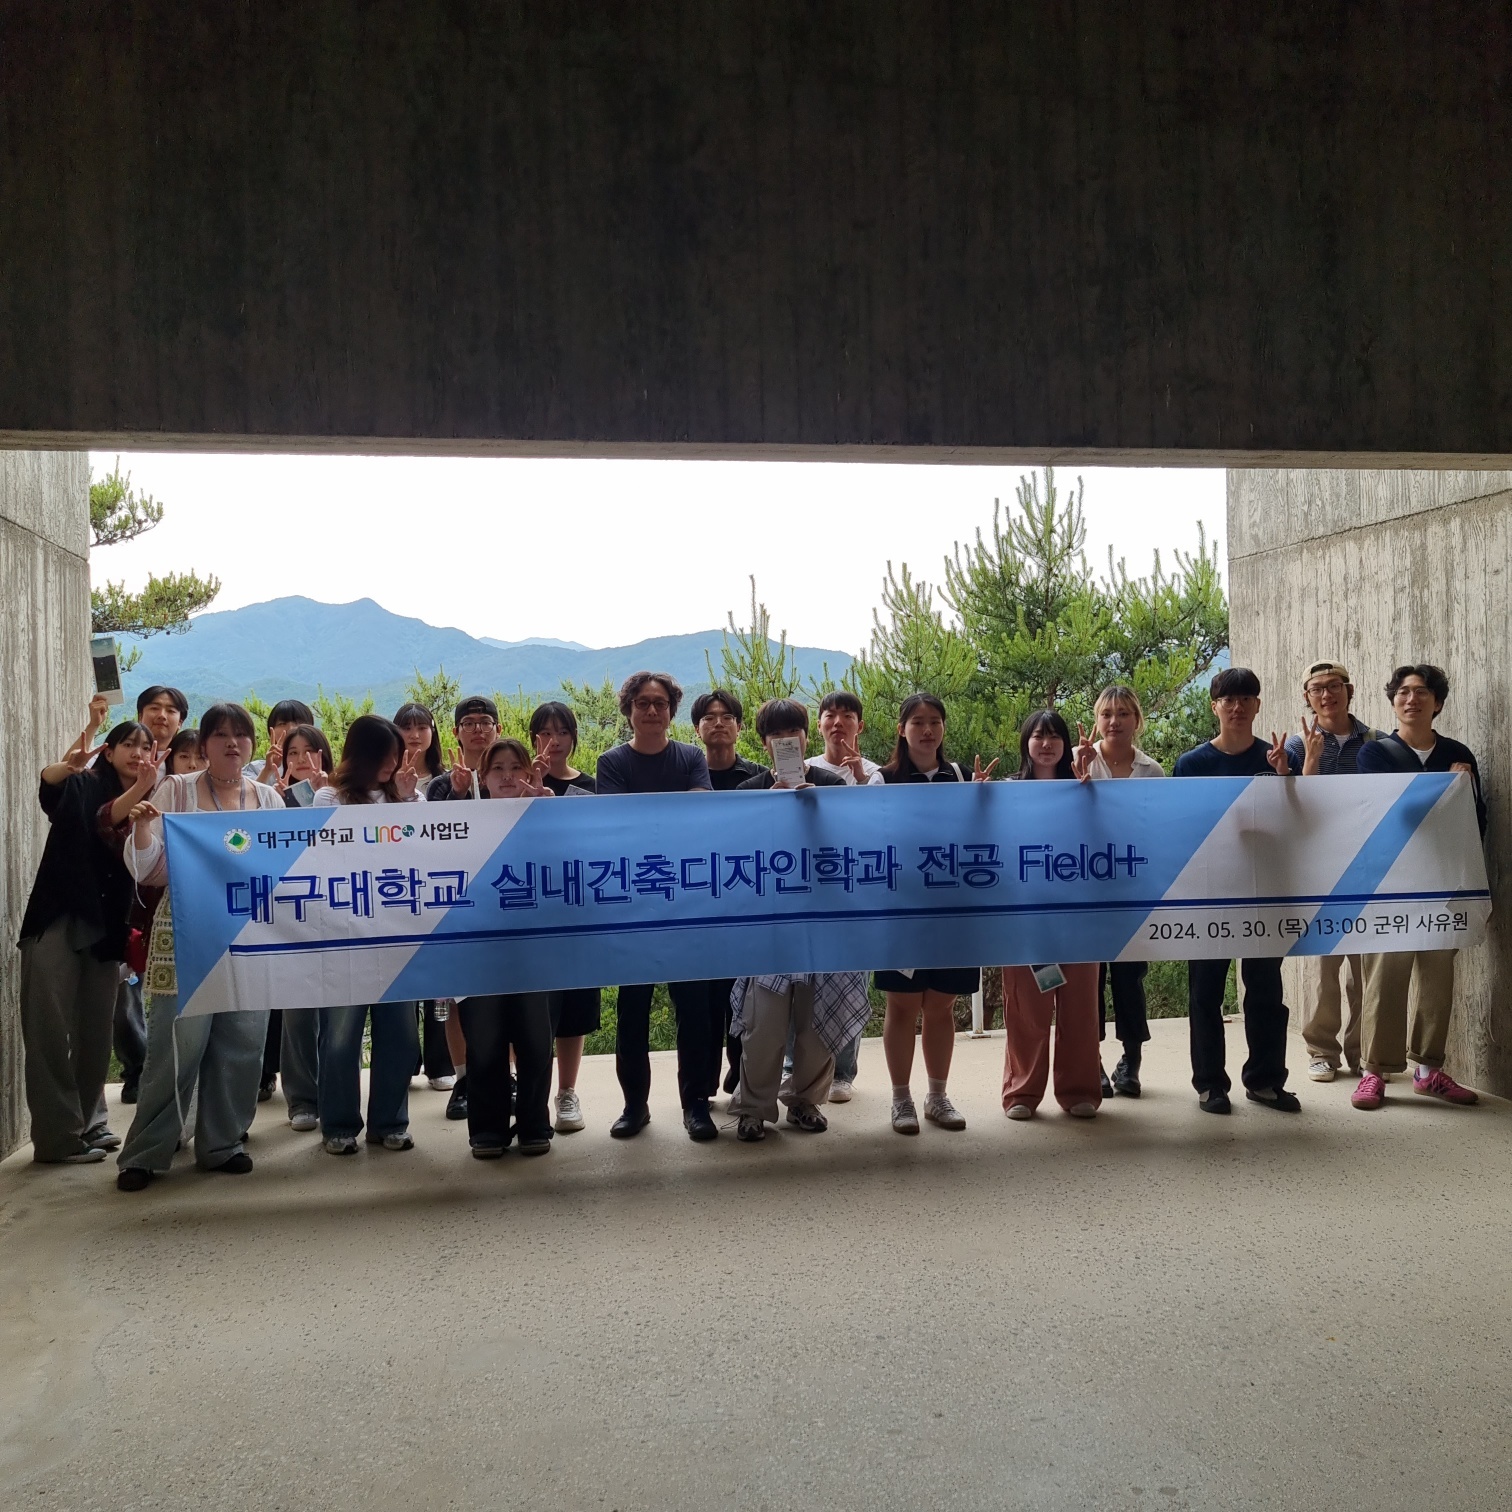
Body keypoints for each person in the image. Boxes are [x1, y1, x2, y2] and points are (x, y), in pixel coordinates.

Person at [114, 704, 282, 1190]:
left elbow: (288, 866)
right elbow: (147, 870)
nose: (232, 743)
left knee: (243, 1042)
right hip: (185, 932)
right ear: (204, 744)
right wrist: (141, 827)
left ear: (252, 744)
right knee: (175, 1045)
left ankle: (223, 1144)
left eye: (241, 735)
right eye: (221, 735)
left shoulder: (269, 799)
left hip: (250, 934)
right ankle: (146, 1151)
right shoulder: (177, 790)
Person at [726, 700, 866, 1141]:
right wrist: (769, 810)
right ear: (764, 743)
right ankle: (753, 1108)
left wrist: (817, 809)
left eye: (794, 733)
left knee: (818, 1019)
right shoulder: (749, 791)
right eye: (776, 735)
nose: (786, 740)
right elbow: (736, 854)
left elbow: (853, 845)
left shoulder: (830, 785)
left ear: (807, 737)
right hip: (768, 922)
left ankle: (805, 1101)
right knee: (763, 1022)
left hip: (823, 920)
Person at [1352, 665, 1486, 1111]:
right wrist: (1448, 786)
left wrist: (1462, 790)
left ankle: (1429, 1070)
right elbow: (1391, 813)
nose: (1412, 699)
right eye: (1404, 692)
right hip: (1389, 885)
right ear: (1394, 702)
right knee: (1384, 976)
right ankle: (1374, 1072)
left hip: (1444, 884)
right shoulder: (1375, 754)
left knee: (1437, 977)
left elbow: (1475, 822)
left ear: (1438, 702)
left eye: (1422, 692)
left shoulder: (1458, 753)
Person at [18, 713, 150, 1163]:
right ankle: (57, 1139)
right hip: (58, 915)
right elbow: (55, 787)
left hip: (108, 925)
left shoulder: (154, 797)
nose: (137, 753)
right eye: (127, 744)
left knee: (96, 1030)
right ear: (108, 753)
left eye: (144, 746)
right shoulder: (84, 784)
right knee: (49, 1028)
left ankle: (89, 1122)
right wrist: (73, 756)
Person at [595, 671, 721, 1141]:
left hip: (686, 901)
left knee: (695, 1010)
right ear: (629, 710)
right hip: (632, 903)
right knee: (633, 1010)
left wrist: (652, 816)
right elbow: (617, 823)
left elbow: (700, 811)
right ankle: (634, 1106)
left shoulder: (690, 757)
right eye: (642, 703)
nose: (651, 710)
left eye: (660, 703)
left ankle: (696, 1105)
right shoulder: (612, 762)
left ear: (671, 711)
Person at [1171, 668, 1299, 1116]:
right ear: (1215, 706)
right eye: (1228, 699)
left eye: (1246, 698)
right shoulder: (1191, 764)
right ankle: (1210, 1084)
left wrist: (1285, 778)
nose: (1237, 707)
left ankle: (1265, 1081)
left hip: (1266, 891)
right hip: (1209, 894)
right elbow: (1180, 828)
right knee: (1205, 992)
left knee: (1265, 990)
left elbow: (1299, 824)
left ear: (1258, 705)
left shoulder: (1277, 758)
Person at [876, 693, 997, 1134]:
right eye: (917, 722)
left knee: (942, 1005)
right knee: (903, 1006)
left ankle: (937, 1096)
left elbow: (980, 838)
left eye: (934, 721)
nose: (927, 730)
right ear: (901, 729)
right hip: (902, 913)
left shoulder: (961, 777)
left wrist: (981, 802)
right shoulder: (883, 780)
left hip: (953, 913)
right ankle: (900, 1099)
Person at [312, 716, 425, 1155]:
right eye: (385, 755)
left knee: (401, 1034)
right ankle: (338, 1125)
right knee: (341, 1036)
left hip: (396, 934)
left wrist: (408, 798)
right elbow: (333, 853)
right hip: (344, 933)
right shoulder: (329, 796)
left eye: (396, 755)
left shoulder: (409, 796)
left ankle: (390, 1122)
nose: (393, 764)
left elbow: (423, 849)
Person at [1282, 662, 1387, 1082]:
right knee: (1325, 965)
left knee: (1366, 968)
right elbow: (1293, 808)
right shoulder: (1295, 745)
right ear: (1307, 697)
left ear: (1350, 690)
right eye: (1317, 689)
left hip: (1368, 866)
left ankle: (1364, 1053)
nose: (1327, 695)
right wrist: (1310, 759)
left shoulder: (1377, 742)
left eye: (1334, 686)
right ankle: (1321, 1051)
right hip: (1320, 868)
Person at [1002, 711, 1103, 1119]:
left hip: (1079, 917)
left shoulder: (1085, 786)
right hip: (1025, 917)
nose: (1046, 744)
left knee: (1081, 1006)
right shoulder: (1008, 791)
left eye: (1055, 737)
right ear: (1026, 743)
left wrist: (1091, 790)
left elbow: (1106, 838)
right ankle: (1021, 1093)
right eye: (1038, 736)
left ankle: (1079, 1090)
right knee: (1026, 1007)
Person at [1071, 685, 1166, 1097]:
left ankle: (1131, 1061)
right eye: (1107, 714)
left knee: (1130, 979)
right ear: (1097, 720)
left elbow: (1158, 829)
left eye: (1124, 713)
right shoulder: (1079, 762)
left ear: (1137, 720)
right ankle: (1090, 1060)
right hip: (1086, 891)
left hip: (1133, 891)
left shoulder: (1152, 771)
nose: (1114, 721)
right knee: (1088, 980)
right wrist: (1077, 777)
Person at [800, 690, 884, 1102]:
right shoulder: (806, 769)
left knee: (852, 982)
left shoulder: (875, 774)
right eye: (830, 715)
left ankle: (844, 1072)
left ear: (859, 725)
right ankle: (796, 1068)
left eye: (847, 715)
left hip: (857, 893)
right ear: (818, 725)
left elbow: (879, 825)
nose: (838, 722)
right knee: (805, 981)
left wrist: (862, 780)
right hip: (811, 891)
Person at [421, 694, 501, 1117]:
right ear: (455, 732)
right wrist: (455, 792)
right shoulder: (438, 784)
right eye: (469, 723)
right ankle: (464, 1079)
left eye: (485, 721)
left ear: (498, 729)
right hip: (453, 903)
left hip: (504, 899)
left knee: (505, 993)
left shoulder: (510, 772)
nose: (477, 729)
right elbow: (430, 837)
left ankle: (505, 1079)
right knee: (455, 997)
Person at [528, 702, 601, 1133]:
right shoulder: (516, 783)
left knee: (574, 1007)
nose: (552, 741)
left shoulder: (591, 786)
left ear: (573, 737)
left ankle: (567, 1093)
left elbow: (595, 846)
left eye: (561, 732)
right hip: (527, 912)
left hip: (575, 911)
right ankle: (526, 1091)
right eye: (543, 732)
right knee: (528, 1005)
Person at [692, 688, 763, 1096]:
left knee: (743, 997)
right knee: (703, 1001)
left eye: (726, 717)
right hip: (698, 902)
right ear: (696, 729)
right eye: (709, 717)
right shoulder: (686, 776)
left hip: (744, 901)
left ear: (739, 727)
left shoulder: (757, 779)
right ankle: (701, 1084)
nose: (718, 723)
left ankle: (740, 1074)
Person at [393, 703, 457, 1093]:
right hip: (397, 888)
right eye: (406, 727)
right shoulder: (384, 780)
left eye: (422, 727)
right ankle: (403, 1059)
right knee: (402, 979)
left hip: (440, 888)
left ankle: (440, 1061)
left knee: (439, 979)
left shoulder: (447, 779)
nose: (415, 734)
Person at [246, 699, 316, 785]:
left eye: (298, 722)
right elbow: (245, 793)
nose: (291, 729)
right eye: (282, 724)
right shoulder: (254, 769)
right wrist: (267, 770)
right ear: (271, 731)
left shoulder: (321, 768)